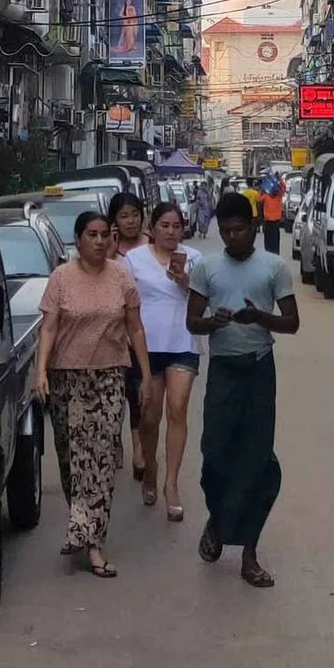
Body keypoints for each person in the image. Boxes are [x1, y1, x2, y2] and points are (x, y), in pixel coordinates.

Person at [188, 188, 299, 588]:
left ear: (254, 227)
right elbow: (192, 322)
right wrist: (212, 323)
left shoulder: (274, 267)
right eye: (225, 231)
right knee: (214, 458)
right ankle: (218, 521)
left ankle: (249, 554)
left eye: (239, 230)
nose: (232, 237)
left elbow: (292, 323)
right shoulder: (206, 268)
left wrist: (259, 318)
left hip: (258, 371)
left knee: (256, 462)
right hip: (223, 371)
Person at [33, 209, 153, 577]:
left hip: (108, 378)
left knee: (99, 461)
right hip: (66, 378)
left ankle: (94, 543)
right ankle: (82, 524)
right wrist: (41, 371)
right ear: (78, 239)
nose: (100, 241)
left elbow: (135, 329)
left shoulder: (121, 276)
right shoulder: (61, 279)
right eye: (92, 235)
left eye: (105, 235)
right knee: (71, 462)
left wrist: (145, 375)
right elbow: (49, 329)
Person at [125, 200, 200, 520]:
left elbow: (200, 300)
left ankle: (171, 484)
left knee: (178, 409)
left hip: (183, 343)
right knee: (150, 417)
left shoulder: (194, 258)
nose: (171, 231)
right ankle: (151, 470)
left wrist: (183, 278)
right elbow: (126, 304)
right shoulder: (133, 259)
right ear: (152, 229)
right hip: (146, 348)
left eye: (177, 226)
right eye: (164, 226)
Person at [108, 192, 152, 481]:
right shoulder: (105, 249)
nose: (130, 221)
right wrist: (110, 253)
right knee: (115, 395)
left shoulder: (153, 245)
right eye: (123, 216)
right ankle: (116, 443)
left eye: (134, 214)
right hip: (112, 335)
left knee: (139, 392)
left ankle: (138, 449)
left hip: (144, 333)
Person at [260, 173, 286, 253]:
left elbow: (258, 199)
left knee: (269, 241)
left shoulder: (267, 196)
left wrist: (262, 190)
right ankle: (274, 254)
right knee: (274, 241)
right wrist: (280, 180)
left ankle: (270, 253)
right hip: (274, 223)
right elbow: (284, 187)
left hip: (269, 222)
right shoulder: (279, 196)